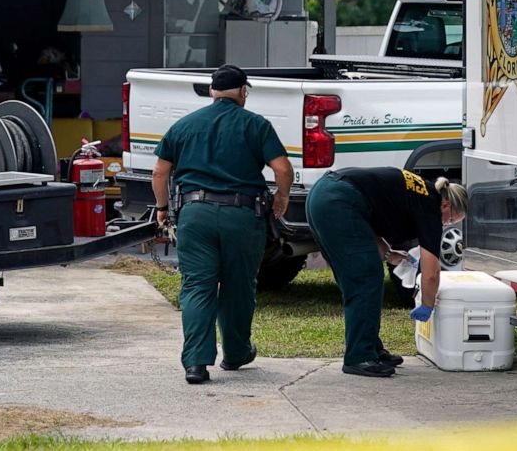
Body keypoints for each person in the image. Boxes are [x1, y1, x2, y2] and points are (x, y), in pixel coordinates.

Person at [151, 64, 293, 385]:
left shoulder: (184, 125)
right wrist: (281, 199)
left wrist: (162, 208)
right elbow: (282, 169)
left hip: (195, 215)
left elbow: (160, 172)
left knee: (197, 287)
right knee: (238, 286)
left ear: (213, 91)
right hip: (242, 216)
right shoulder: (256, 125)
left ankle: (196, 364)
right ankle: (236, 352)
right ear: (243, 92)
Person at [306, 167, 468, 377]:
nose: (447, 224)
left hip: (324, 195)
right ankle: (360, 356)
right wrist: (428, 306)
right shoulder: (430, 206)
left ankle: (371, 348)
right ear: (446, 205)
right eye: (451, 220)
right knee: (366, 278)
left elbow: (368, 218)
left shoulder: (421, 192)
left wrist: (390, 254)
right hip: (338, 201)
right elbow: (431, 273)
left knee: (359, 278)